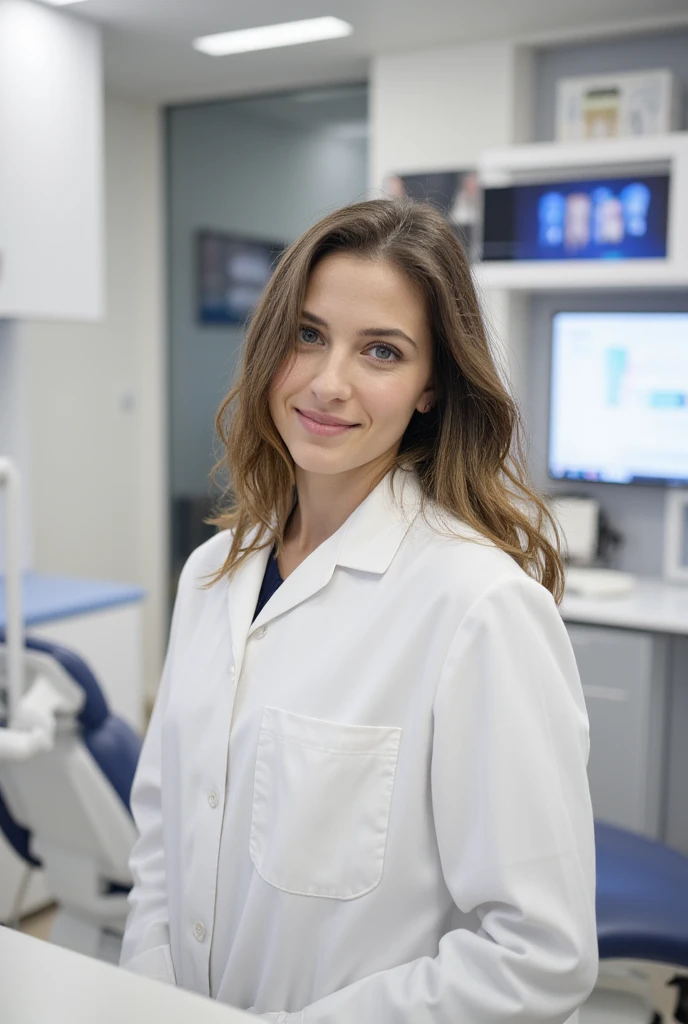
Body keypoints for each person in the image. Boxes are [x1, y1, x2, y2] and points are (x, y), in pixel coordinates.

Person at [120, 197, 598, 1023]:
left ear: (428, 388)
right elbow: (163, 841)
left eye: (381, 351)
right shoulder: (210, 576)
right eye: (308, 335)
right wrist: (149, 989)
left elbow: (537, 957)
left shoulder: (477, 607)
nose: (328, 383)